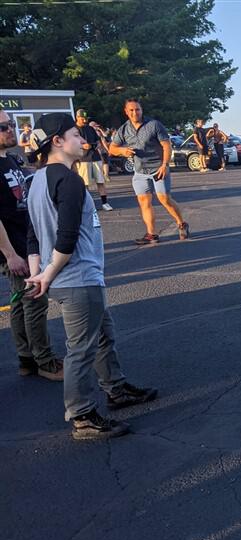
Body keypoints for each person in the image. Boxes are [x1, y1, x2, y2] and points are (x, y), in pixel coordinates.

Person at [25, 113, 157, 439]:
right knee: (81, 350)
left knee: (102, 336)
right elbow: (66, 237)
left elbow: (31, 235)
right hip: (77, 278)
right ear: (57, 141)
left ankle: (116, 388)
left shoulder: (38, 179)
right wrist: (48, 274)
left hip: (67, 277)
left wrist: (38, 274)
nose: (81, 140)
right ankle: (81, 415)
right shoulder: (69, 180)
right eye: (74, 134)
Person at [0, 110, 64, 381]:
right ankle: (45, 360)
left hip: (25, 244)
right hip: (14, 249)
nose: (11, 129)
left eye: (11, 124)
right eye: (4, 127)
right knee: (35, 301)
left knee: (20, 303)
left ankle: (27, 358)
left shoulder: (10, 160)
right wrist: (10, 254)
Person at [109, 98, 189, 245]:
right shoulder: (124, 129)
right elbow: (112, 148)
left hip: (158, 168)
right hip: (140, 171)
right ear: (126, 112)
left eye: (137, 109)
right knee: (144, 202)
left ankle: (181, 223)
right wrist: (122, 150)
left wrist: (165, 165)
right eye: (131, 110)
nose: (135, 113)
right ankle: (151, 234)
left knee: (164, 199)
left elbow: (166, 146)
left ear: (142, 110)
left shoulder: (154, 125)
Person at [74, 109, 113, 211]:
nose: (84, 121)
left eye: (85, 119)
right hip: (83, 159)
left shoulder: (90, 128)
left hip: (95, 157)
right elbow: (72, 144)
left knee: (100, 181)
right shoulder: (74, 130)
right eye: (82, 118)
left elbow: (98, 140)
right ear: (77, 117)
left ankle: (105, 203)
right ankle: (86, 204)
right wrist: (82, 146)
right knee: (85, 183)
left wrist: (97, 145)